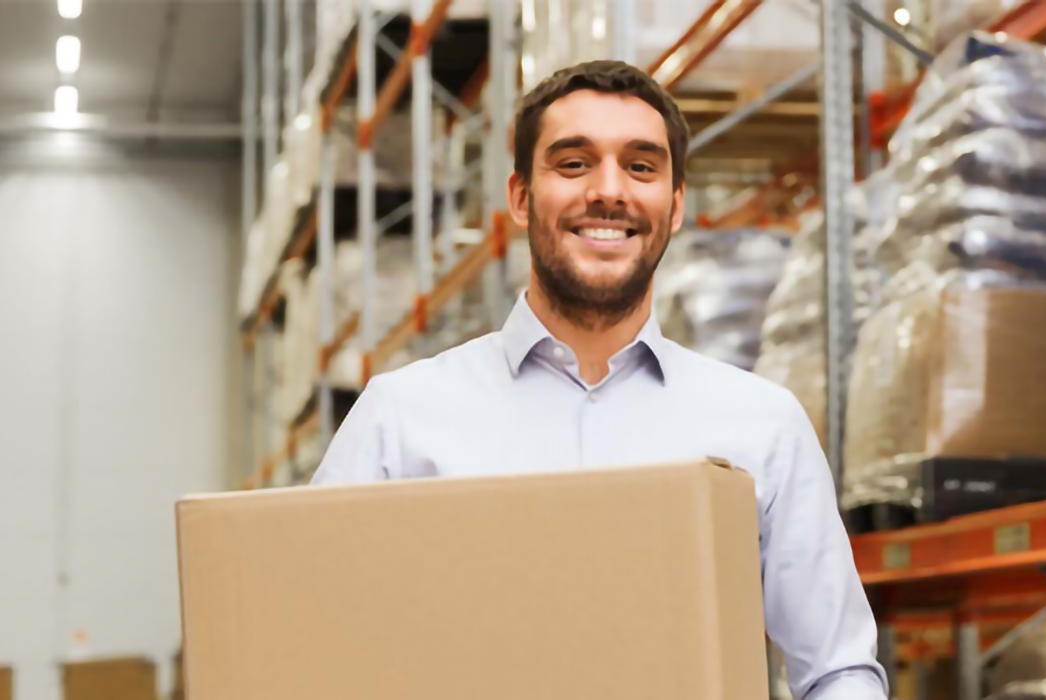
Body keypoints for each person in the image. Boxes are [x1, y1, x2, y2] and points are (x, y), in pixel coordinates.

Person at [310, 60, 887, 700]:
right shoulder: (400, 419)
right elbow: (308, 644)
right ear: (522, 197)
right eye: (574, 163)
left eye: (640, 166)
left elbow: (837, 670)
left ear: (674, 205)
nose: (608, 191)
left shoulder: (762, 426)